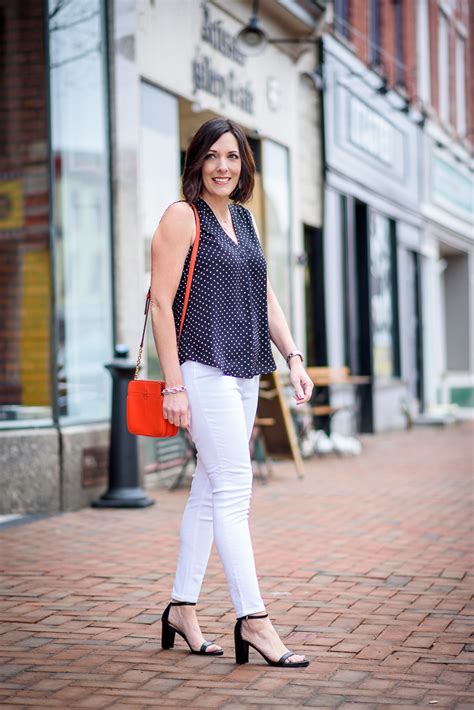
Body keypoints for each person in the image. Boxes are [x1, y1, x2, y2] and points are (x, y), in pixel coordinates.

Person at [150, 117, 313, 667]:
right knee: (234, 491)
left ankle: (182, 607)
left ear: (244, 165)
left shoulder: (243, 219)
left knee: (209, 487)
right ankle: (255, 619)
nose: (223, 167)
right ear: (195, 161)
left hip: (245, 370)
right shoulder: (181, 217)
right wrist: (173, 384)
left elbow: (265, 297)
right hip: (200, 368)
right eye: (213, 156)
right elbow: (158, 304)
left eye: (234, 157)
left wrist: (292, 357)